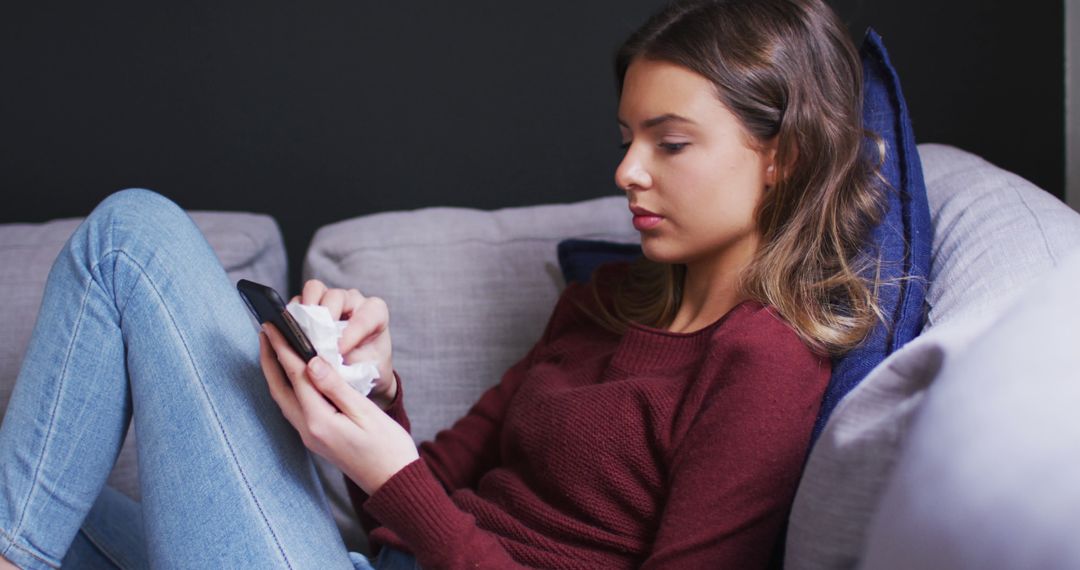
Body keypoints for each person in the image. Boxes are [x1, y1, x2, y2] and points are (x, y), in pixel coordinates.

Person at [0, 0, 886, 567]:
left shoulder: (763, 363)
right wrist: (374, 394)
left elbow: (407, 497)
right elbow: (426, 487)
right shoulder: (600, 303)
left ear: (785, 157)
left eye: (670, 141)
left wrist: (395, 483)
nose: (627, 171)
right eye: (625, 138)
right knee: (38, 493)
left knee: (133, 236)